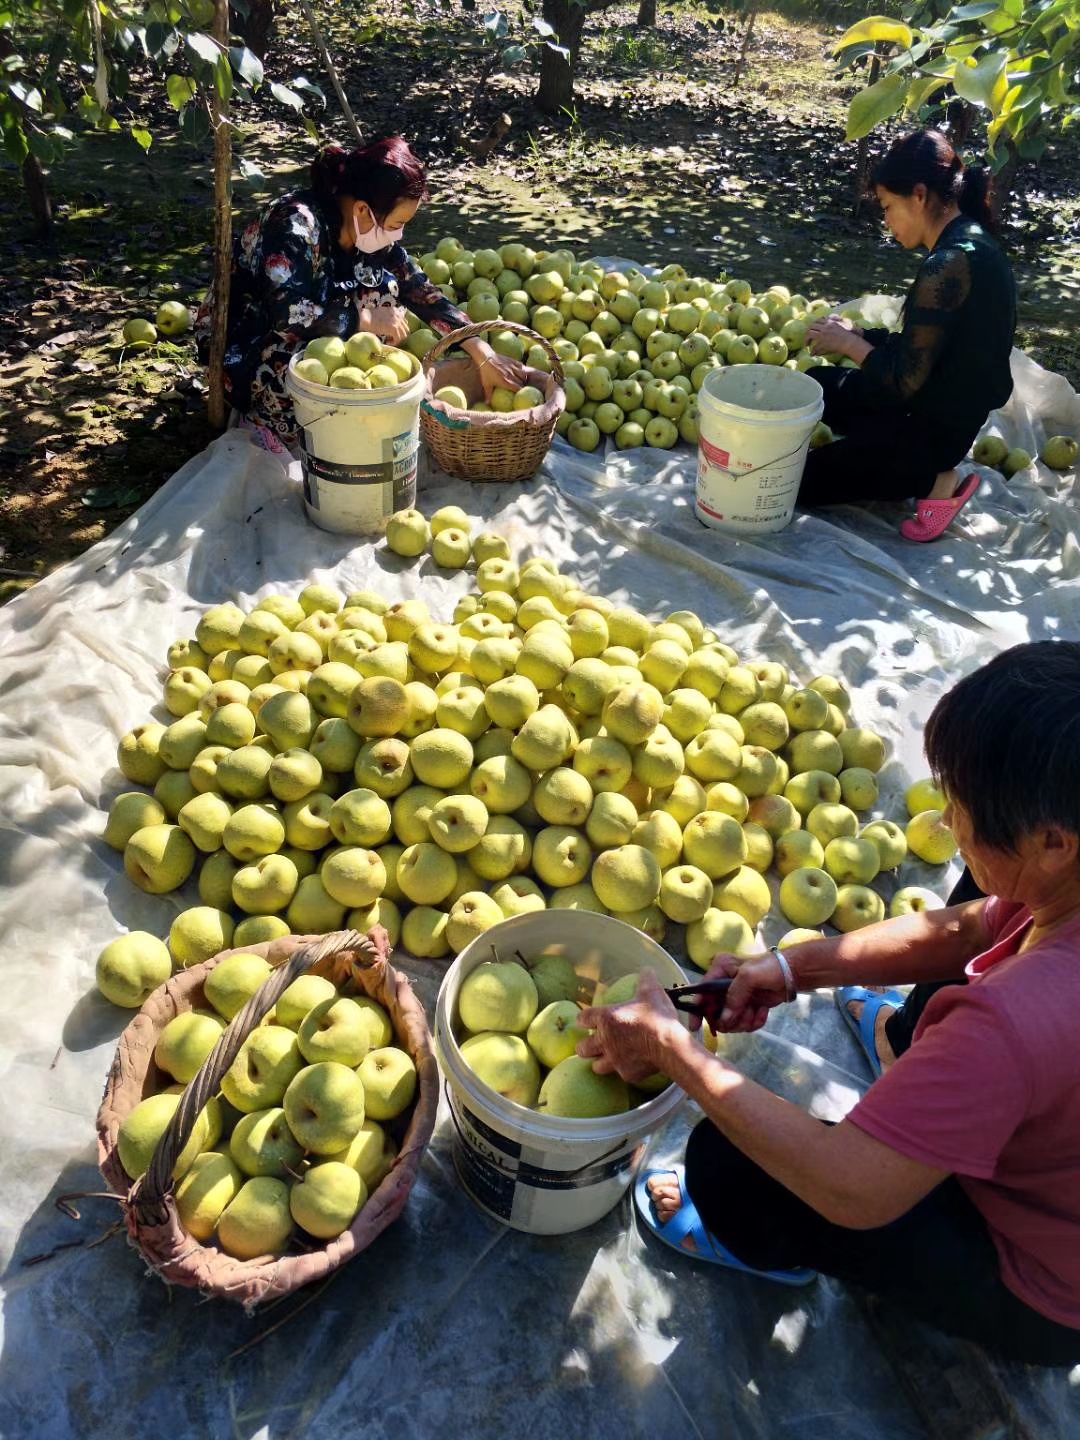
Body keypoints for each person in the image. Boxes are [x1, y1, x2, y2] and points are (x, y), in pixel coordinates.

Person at [577, 640, 1080, 1366]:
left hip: (1042, 1282)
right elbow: (972, 925)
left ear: (1055, 841)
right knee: (985, 891)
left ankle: (761, 1247)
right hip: (1037, 1117)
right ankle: (923, 1069)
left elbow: (853, 1190)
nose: (943, 826)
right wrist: (789, 969)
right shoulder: (1057, 889)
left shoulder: (1008, 1024)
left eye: (961, 809)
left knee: (730, 1162)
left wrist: (675, 1054)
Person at [195, 137, 523, 452]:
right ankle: (266, 421)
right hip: (251, 342)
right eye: (397, 222)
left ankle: (344, 401)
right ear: (364, 210)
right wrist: (362, 320)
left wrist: (480, 349)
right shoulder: (293, 226)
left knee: (385, 289)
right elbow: (288, 312)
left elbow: (415, 286)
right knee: (346, 327)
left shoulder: (361, 228)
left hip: (320, 327)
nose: (399, 233)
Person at [797, 129, 1016, 541]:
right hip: (934, 403)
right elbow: (924, 350)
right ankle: (878, 455)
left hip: (932, 430)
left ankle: (934, 482)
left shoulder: (948, 263)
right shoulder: (966, 241)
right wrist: (862, 333)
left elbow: (904, 382)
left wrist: (852, 345)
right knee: (814, 389)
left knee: (796, 482)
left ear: (919, 195)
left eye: (887, 207)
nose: (886, 222)